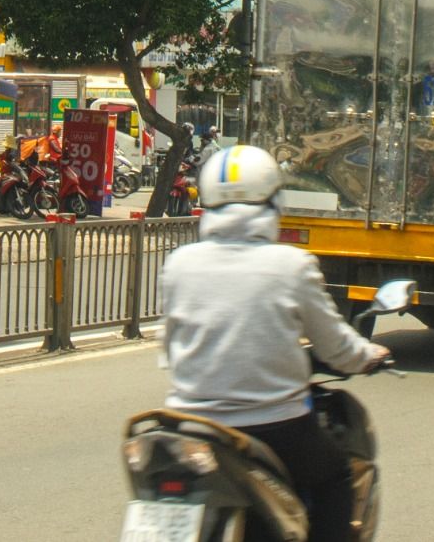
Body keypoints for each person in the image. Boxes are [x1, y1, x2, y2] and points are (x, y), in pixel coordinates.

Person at [161, 144, 388, 542]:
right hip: (272, 426)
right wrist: (369, 355)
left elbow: (169, 351)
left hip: (187, 427)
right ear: (272, 202)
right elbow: (336, 347)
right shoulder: (290, 265)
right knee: (337, 478)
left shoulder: (180, 263)